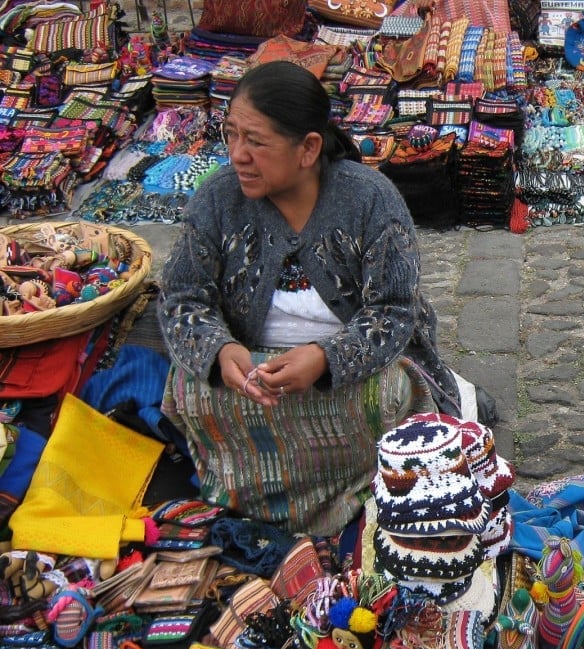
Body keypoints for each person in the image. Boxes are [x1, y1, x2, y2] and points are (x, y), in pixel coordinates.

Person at [158, 60, 461, 536]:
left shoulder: (369, 199)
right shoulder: (217, 200)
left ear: (308, 149)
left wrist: (325, 359)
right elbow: (181, 298)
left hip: (353, 370)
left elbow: (393, 312)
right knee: (185, 387)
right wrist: (221, 352)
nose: (237, 154)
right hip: (255, 372)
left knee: (391, 396)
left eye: (255, 141)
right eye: (231, 134)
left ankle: (363, 497)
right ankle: (260, 501)